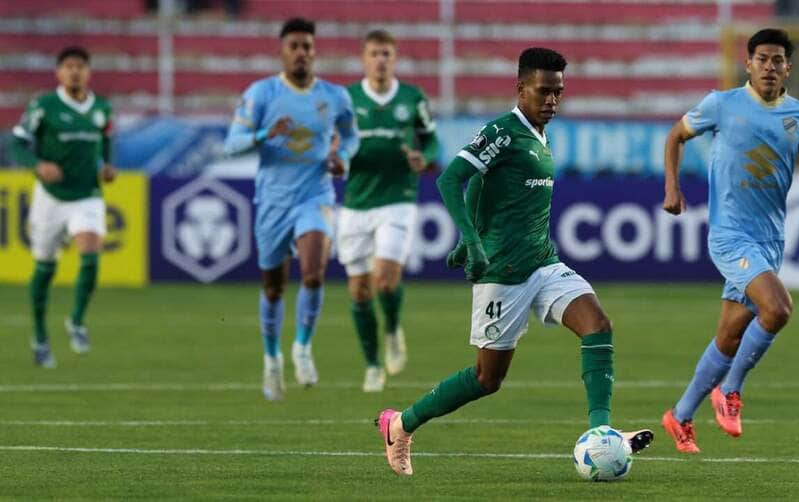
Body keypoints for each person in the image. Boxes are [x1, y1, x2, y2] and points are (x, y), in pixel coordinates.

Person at [374, 47, 653, 476]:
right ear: (521, 88)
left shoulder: (541, 135)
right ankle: (401, 424)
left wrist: (474, 235)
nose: (552, 101)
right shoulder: (502, 132)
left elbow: (484, 188)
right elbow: (452, 179)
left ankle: (602, 432)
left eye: (558, 92)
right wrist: (472, 240)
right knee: (487, 379)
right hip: (502, 275)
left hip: (544, 263)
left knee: (598, 325)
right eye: (543, 91)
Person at [660, 28, 799, 453]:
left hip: (770, 240)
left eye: (777, 60)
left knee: (729, 336)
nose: (769, 67)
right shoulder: (721, 104)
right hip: (730, 236)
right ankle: (730, 391)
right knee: (778, 308)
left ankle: (680, 416)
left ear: (788, 67)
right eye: (761, 59)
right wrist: (672, 188)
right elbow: (676, 136)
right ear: (748, 63)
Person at [223, 17, 359, 401]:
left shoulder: (335, 96)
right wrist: (266, 134)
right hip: (272, 202)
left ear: (315, 52)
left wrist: (342, 158)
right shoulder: (261, 94)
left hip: (314, 195)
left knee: (314, 273)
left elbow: (351, 136)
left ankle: (302, 346)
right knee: (273, 287)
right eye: (294, 46)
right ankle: (271, 360)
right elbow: (231, 143)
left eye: (307, 46)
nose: (301, 53)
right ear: (282, 52)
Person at [339, 29, 440, 392]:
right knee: (359, 291)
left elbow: (431, 140)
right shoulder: (347, 99)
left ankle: (394, 328)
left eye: (386, 54)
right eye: (374, 54)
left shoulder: (412, 98)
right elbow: (332, 142)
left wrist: (423, 157)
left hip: (398, 199)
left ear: (394, 59)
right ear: (364, 59)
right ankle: (371, 363)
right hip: (356, 203)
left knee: (384, 278)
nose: (380, 60)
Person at [10, 46, 116, 368]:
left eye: (80, 66)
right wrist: (37, 165)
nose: (74, 72)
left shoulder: (101, 107)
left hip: (87, 194)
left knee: (91, 252)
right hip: (50, 198)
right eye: (68, 66)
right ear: (58, 72)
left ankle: (77, 320)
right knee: (44, 268)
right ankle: (40, 336)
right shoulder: (44, 105)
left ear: (89, 72)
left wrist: (108, 165)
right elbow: (17, 141)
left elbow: (106, 139)